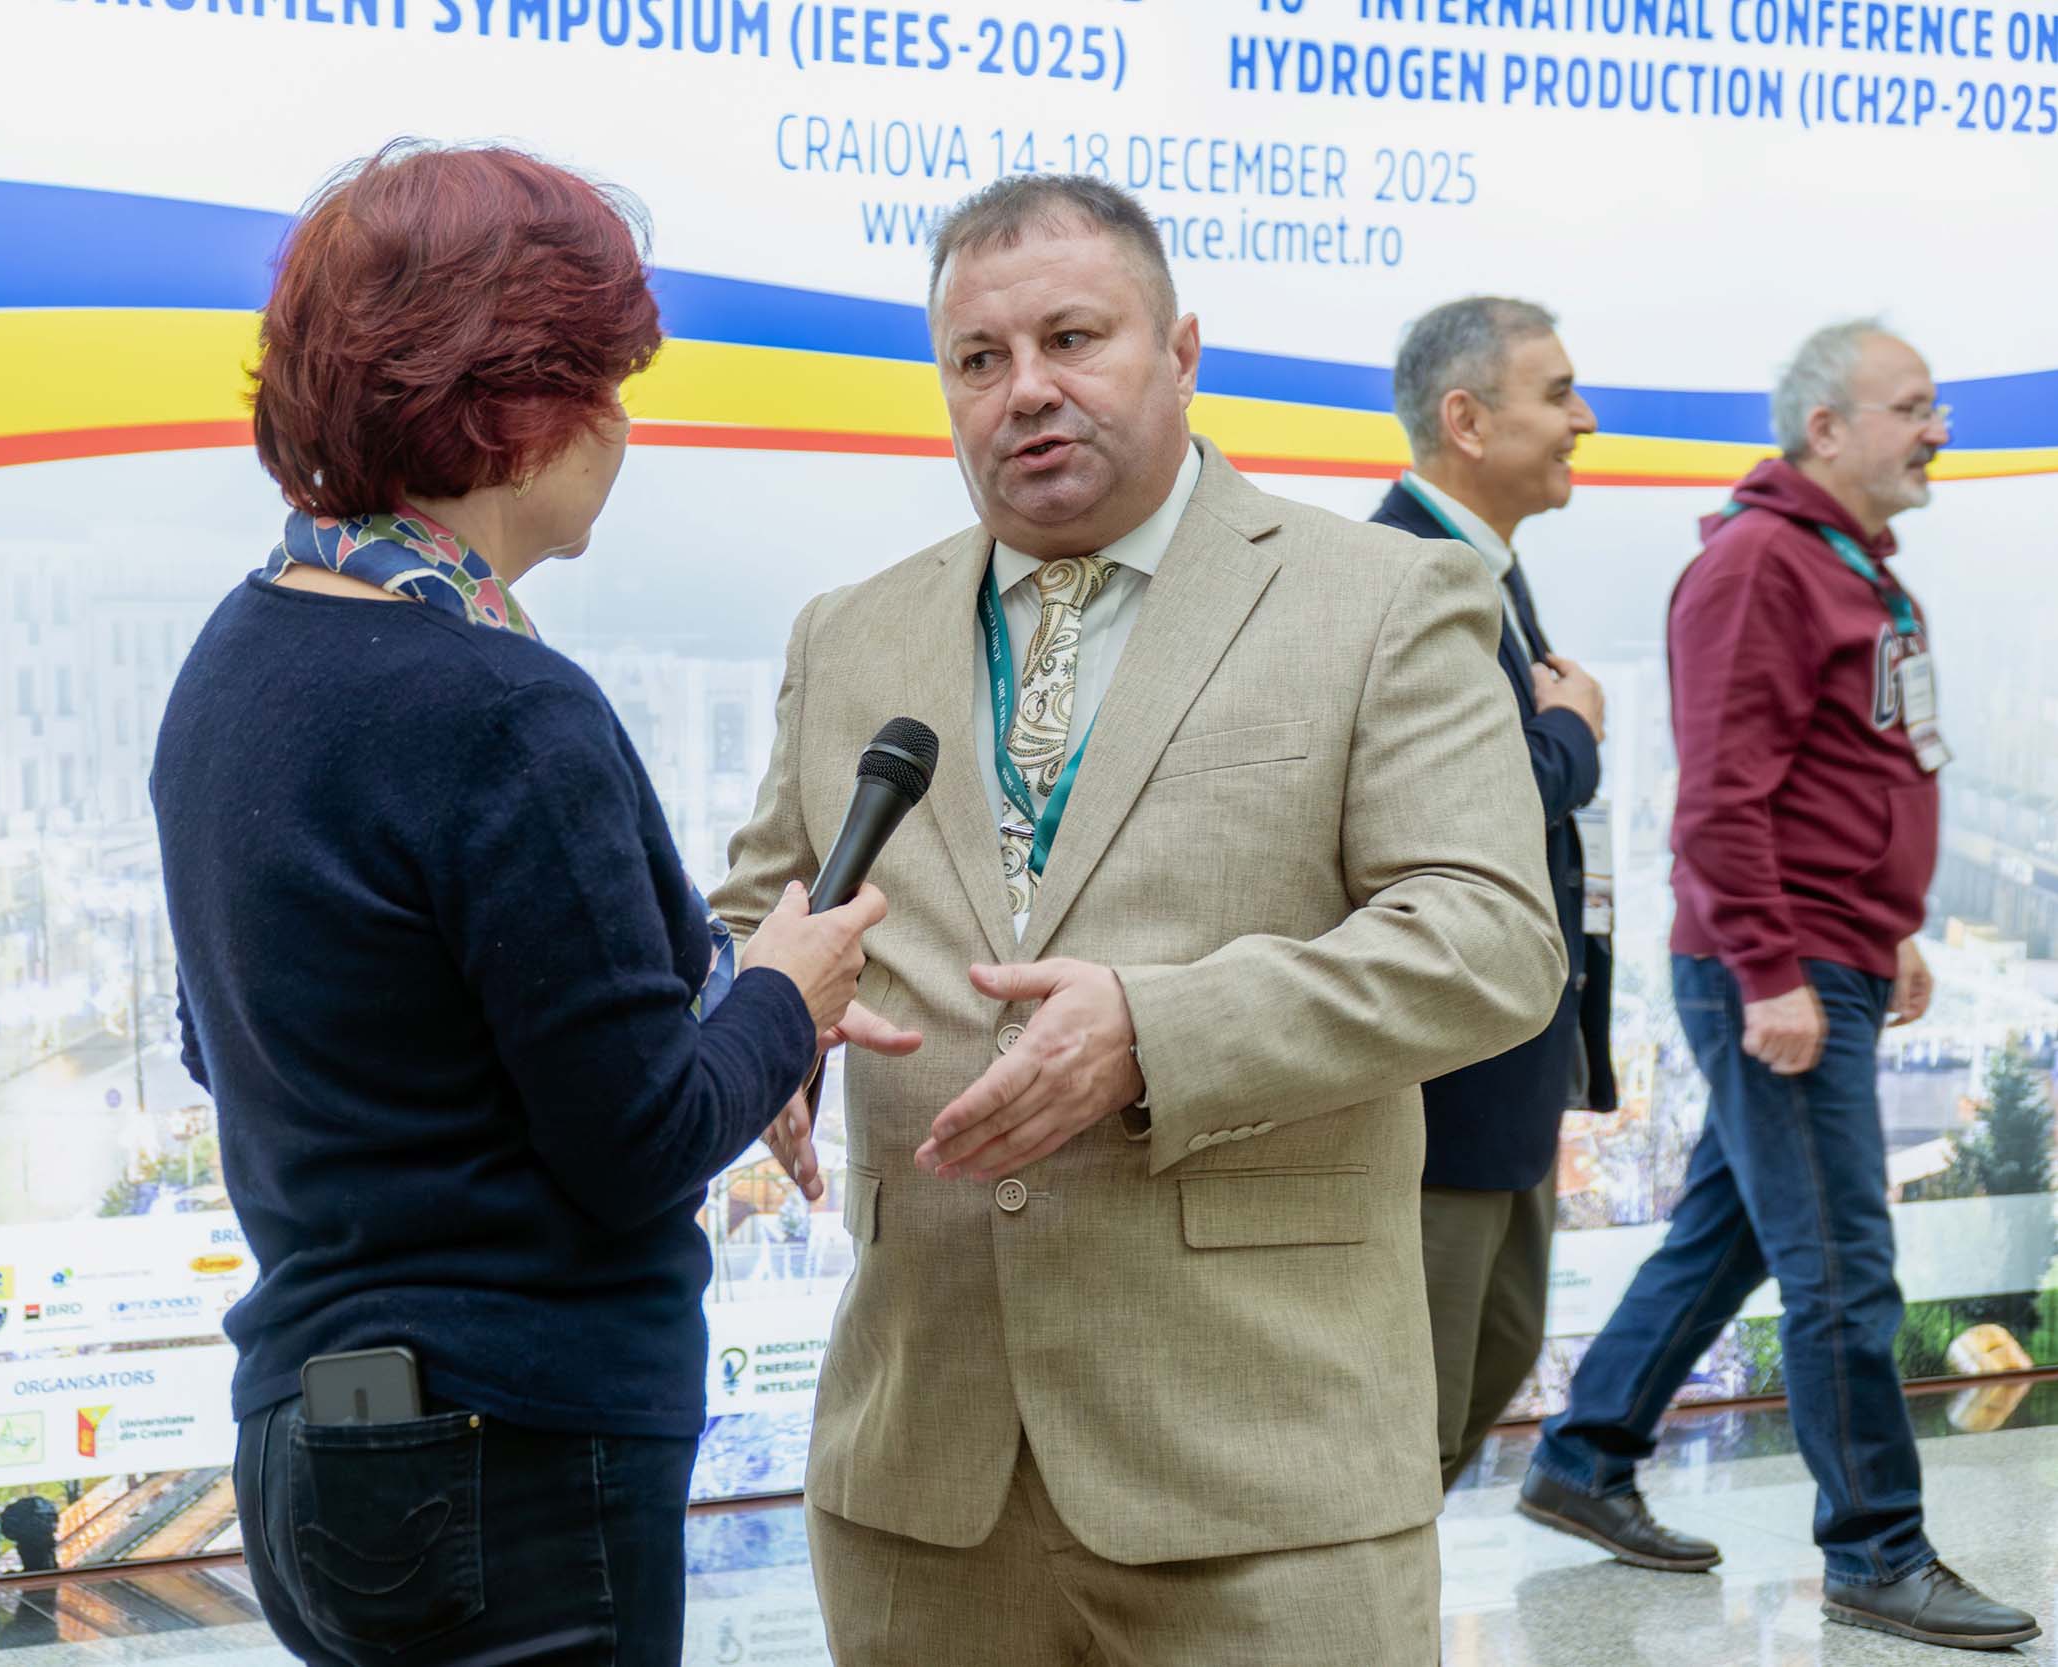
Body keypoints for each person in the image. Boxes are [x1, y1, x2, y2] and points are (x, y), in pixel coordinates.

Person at [713, 174, 1567, 1666]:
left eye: (1072, 338)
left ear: (1179, 352)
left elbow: (1490, 937)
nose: (1026, 390)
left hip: (1262, 1477)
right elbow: (763, 902)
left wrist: (1159, 1031)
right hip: (924, 1478)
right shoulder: (850, 631)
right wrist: (760, 1012)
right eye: (979, 359)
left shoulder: (1382, 596)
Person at [149, 141, 887, 1667]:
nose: (622, 425)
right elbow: (634, 1146)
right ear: (516, 404)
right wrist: (781, 998)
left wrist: (716, 1015)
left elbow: (233, 1041)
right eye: (604, 381)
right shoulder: (498, 705)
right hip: (515, 1455)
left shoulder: (237, 659)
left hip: (315, 1449)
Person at [1518, 321, 2039, 1651]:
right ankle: (1876, 1551)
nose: (1938, 430)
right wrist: (1770, 967)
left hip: (1830, 948)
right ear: (1827, 427)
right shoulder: (1759, 565)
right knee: (1843, 1270)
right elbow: (1721, 794)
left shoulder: (1855, 566)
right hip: (1778, 964)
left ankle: (1582, 1454)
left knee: (1732, 1231)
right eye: (1912, 407)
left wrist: (1888, 928)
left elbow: (1852, 773)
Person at [1370, 296, 1614, 1490]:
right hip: (1446, 1094)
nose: (1585, 418)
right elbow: (1476, 795)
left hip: (1506, 1079)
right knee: (1409, 1421)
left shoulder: (1481, 568)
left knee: (1489, 1360)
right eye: (1557, 393)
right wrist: (1574, 737)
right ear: (1465, 419)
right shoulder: (1408, 572)